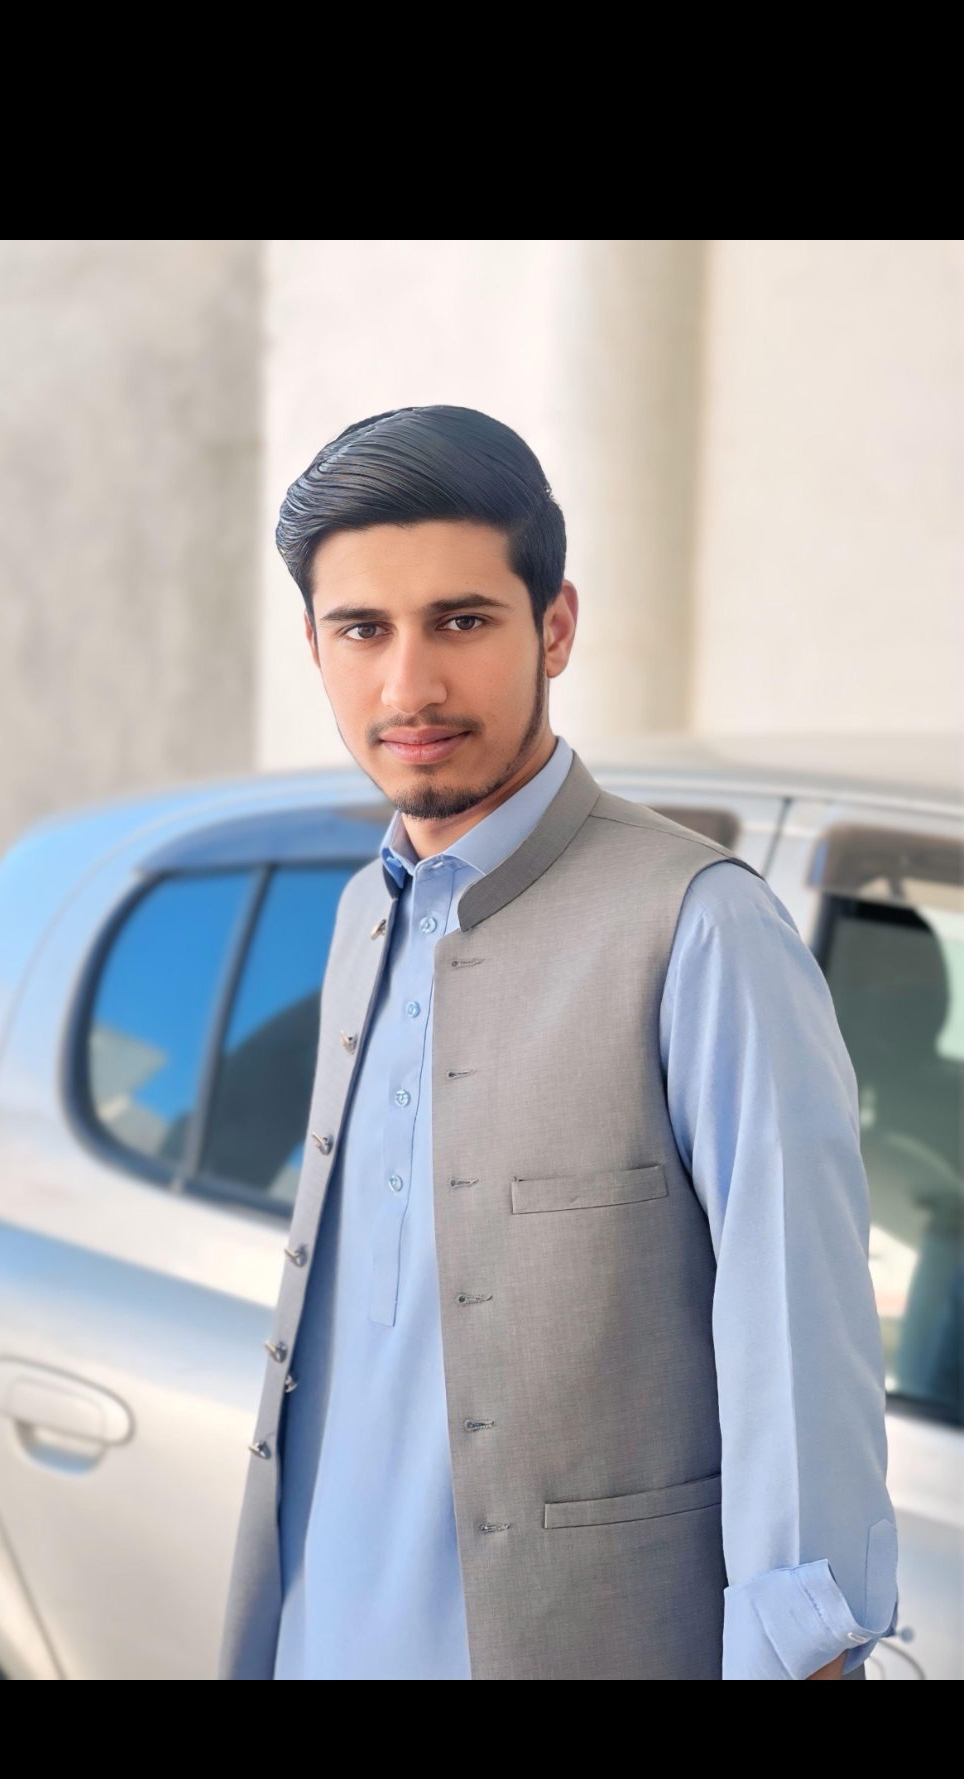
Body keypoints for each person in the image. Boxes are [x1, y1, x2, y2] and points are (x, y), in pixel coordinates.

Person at [221, 406, 896, 1681]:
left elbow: (799, 1355)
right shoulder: (365, 913)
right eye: (363, 630)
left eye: (461, 621)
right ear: (314, 646)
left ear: (557, 627)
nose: (408, 687)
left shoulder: (701, 930)